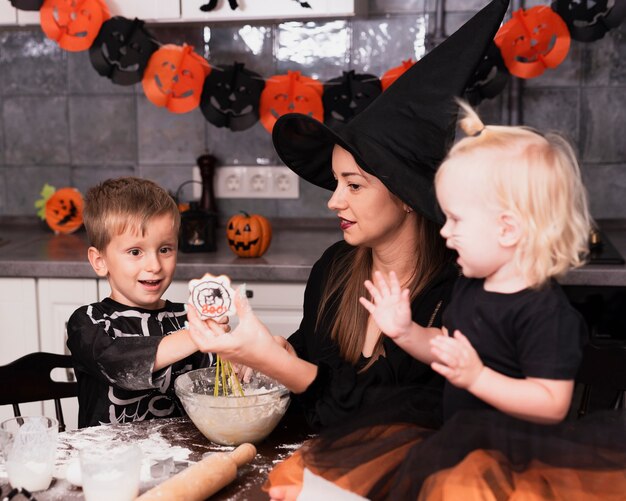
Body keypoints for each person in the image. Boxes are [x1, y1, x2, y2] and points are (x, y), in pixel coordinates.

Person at [185, 0, 510, 498]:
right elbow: (315, 384)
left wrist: (277, 363)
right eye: (336, 182)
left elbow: (395, 422)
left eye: (353, 185)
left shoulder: (459, 292)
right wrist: (265, 353)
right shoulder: (336, 268)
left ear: (405, 195)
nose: (335, 199)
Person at [362, 99, 591, 425]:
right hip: (462, 442)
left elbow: (551, 404)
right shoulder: (470, 287)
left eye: (456, 219)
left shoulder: (545, 312)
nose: (445, 231)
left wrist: (477, 378)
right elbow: (446, 348)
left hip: (518, 459)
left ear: (507, 229)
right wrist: (405, 332)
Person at [66, 177, 217, 428]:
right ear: (99, 260)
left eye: (165, 249)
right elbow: (117, 362)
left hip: (182, 459)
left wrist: (245, 354)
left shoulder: (187, 317)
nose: (155, 266)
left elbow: (217, 383)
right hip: (109, 461)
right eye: (135, 252)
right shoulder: (89, 322)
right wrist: (197, 335)